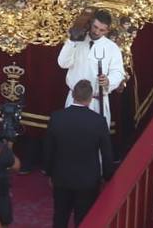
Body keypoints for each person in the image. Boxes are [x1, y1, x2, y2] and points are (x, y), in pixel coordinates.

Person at [42, 78, 112, 228]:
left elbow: (49, 149)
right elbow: (107, 154)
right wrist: (107, 177)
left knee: (60, 216)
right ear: (90, 97)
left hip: (61, 178)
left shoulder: (57, 117)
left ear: (73, 95)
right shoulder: (98, 121)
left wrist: (48, 172)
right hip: (88, 181)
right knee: (84, 219)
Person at [56, 8, 126, 128]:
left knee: (94, 141)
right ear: (90, 23)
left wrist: (108, 80)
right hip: (75, 101)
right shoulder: (77, 41)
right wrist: (72, 41)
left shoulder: (112, 48)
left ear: (107, 30)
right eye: (95, 27)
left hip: (97, 102)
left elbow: (118, 72)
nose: (97, 32)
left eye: (102, 30)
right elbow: (63, 63)